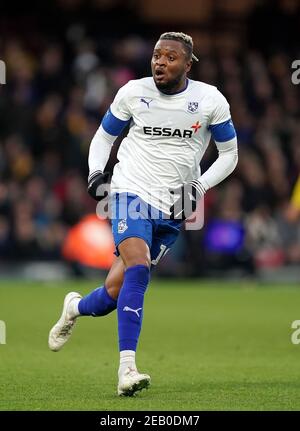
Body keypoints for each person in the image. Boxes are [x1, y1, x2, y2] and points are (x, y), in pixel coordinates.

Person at [48, 32, 238, 396]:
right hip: (129, 193)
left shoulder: (210, 100)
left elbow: (229, 155)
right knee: (138, 268)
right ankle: (127, 369)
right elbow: (104, 137)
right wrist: (95, 172)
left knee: (114, 292)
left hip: (173, 206)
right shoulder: (132, 92)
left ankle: (74, 307)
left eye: (170, 57)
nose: (160, 62)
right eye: (156, 55)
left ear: (188, 64)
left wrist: (198, 188)